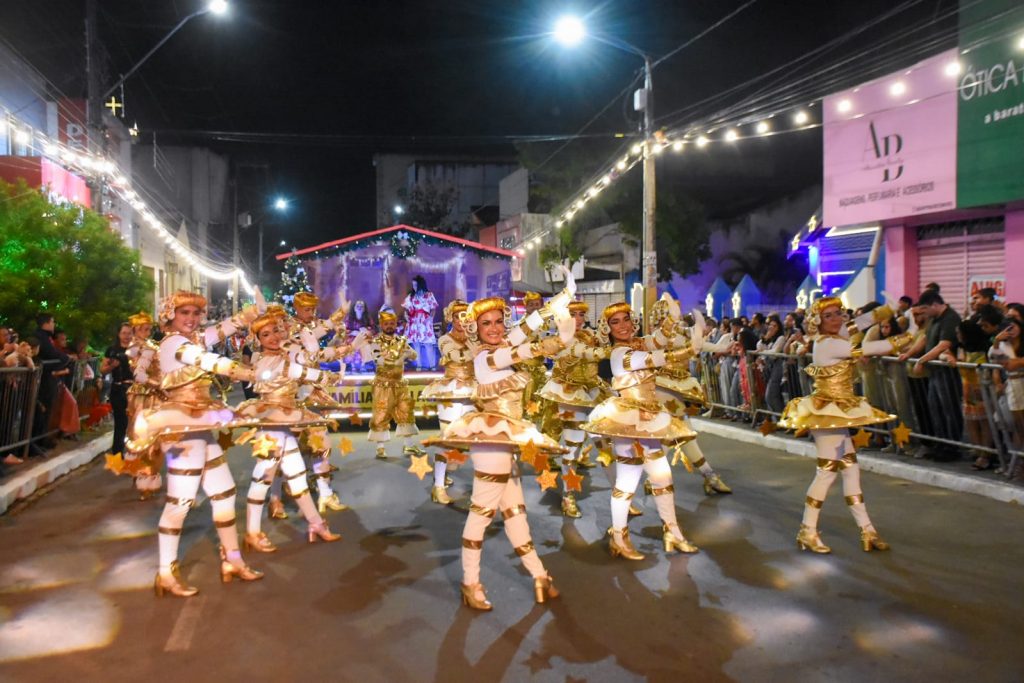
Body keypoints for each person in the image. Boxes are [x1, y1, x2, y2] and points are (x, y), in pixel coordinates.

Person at [423, 288, 573, 610]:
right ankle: (470, 583)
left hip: (505, 442)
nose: (493, 328)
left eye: (498, 322)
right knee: (481, 515)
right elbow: (525, 350)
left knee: (515, 513)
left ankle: (540, 576)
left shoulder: (500, 344)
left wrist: (558, 301)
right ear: (475, 329)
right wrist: (560, 341)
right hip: (493, 442)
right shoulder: (486, 357)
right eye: (485, 323)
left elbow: (525, 329)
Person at [129, 291, 264, 597]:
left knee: (224, 492)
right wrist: (246, 372)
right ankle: (166, 573)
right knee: (180, 502)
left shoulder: (193, 339)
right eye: (184, 313)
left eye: (195, 313)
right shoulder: (173, 344)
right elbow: (206, 359)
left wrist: (251, 313)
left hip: (200, 423)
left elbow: (220, 331)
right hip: (181, 428)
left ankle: (232, 559)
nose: (191, 319)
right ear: (170, 316)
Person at [778, 298, 914, 554]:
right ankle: (807, 530)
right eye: (828, 316)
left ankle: (867, 530)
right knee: (827, 473)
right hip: (826, 414)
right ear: (818, 321)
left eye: (838, 313)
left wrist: (887, 310)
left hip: (837, 412)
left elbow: (859, 323)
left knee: (851, 469)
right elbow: (871, 348)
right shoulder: (828, 343)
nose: (836, 319)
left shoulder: (836, 334)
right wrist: (909, 336)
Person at [583, 302, 701, 560]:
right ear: (608, 328)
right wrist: (692, 348)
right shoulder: (619, 353)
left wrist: (672, 318)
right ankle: (618, 537)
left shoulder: (637, 343)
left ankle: (673, 532)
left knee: (663, 477)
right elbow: (654, 358)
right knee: (627, 482)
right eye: (615, 322)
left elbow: (658, 340)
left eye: (626, 319)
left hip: (649, 419)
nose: (623, 326)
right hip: (628, 423)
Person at [236, 312, 350, 552]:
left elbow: (307, 362)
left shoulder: (284, 355)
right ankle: (252, 532)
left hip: (286, 423)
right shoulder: (268, 361)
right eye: (266, 334)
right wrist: (328, 375)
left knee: (297, 475)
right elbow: (300, 371)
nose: (274, 337)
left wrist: (329, 363)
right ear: (257, 339)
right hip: (271, 424)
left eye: (277, 331)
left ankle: (316, 523)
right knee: (263, 477)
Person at [537, 299, 614, 517]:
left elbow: (599, 344)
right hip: (569, 394)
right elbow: (590, 353)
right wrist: (613, 349)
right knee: (573, 445)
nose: (578, 319)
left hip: (593, 390)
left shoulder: (588, 335)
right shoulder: (558, 341)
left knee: (605, 444)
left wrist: (606, 335)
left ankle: (620, 494)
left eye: (581, 315)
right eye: (573, 314)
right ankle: (568, 495)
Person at [648, 296, 731, 496]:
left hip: (676, 387)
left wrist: (722, 347)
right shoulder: (658, 336)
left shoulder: (679, 332)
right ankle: (708, 476)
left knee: (682, 434)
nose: (676, 319)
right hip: (663, 388)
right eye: (671, 315)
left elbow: (698, 344)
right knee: (679, 432)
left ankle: (707, 476)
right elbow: (693, 344)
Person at [419, 300, 476, 505]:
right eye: (457, 317)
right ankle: (438, 486)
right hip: (451, 392)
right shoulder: (445, 339)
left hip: (474, 391)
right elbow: (457, 357)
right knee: (447, 438)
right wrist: (479, 347)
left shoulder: (474, 338)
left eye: (465, 317)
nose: (461, 321)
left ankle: (482, 487)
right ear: (451, 318)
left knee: (474, 437)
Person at [357, 309, 420, 459]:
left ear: (396, 324)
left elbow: (414, 355)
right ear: (381, 325)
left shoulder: (401, 341)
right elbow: (378, 360)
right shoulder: (375, 342)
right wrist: (400, 358)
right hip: (383, 385)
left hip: (400, 384)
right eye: (386, 324)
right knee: (381, 414)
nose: (389, 326)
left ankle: (409, 445)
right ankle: (380, 447)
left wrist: (407, 354)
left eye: (392, 323)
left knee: (406, 412)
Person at [913, 290, 964, 460]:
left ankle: (952, 447)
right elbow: (925, 339)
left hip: (947, 372)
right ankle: (940, 443)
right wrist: (909, 354)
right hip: (935, 371)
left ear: (935, 305)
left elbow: (944, 345)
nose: (925, 314)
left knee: (949, 409)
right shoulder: (934, 319)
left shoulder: (950, 318)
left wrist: (921, 361)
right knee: (935, 408)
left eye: (925, 310)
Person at [940, 321, 994, 470]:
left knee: (985, 424)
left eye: (959, 333)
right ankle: (978, 451)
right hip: (967, 391)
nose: (957, 335)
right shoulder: (959, 347)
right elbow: (943, 354)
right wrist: (949, 359)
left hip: (983, 391)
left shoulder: (985, 348)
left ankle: (986, 455)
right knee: (971, 424)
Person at [122, 311, 164, 498]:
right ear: (135, 330)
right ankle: (143, 477)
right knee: (142, 435)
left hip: (155, 395)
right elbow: (138, 373)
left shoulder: (150, 345)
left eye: (148, 329)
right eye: (142, 329)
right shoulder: (135, 349)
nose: (146, 332)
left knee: (156, 437)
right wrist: (158, 384)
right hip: (143, 396)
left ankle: (147, 474)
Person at [101, 322, 134, 460]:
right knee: (120, 423)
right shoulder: (112, 350)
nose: (126, 336)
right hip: (118, 389)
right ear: (119, 334)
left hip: (134, 390)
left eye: (129, 333)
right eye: (124, 333)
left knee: (135, 423)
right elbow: (102, 370)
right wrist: (112, 366)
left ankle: (134, 452)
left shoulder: (137, 349)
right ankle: (117, 454)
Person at [402, 275, 439, 370]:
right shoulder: (411, 296)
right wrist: (406, 315)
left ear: (420, 284)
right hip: (414, 321)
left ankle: (432, 365)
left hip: (425, 321)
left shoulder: (429, 295)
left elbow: (433, 308)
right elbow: (406, 308)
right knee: (416, 344)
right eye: (413, 285)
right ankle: (419, 365)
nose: (414, 287)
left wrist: (430, 318)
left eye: (415, 285)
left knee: (428, 343)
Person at [344, 299, 375, 372]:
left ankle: (363, 365)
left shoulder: (368, 318)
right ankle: (352, 365)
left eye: (361, 306)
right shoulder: (349, 318)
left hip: (364, 338)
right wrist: (352, 332)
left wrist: (366, 330)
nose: (359, 308)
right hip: (352, 338)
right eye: (357, 306)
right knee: (351, 346)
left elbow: (373, 329)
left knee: (366, 345)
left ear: (364, 309)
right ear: (354, 308)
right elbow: (344, 330)